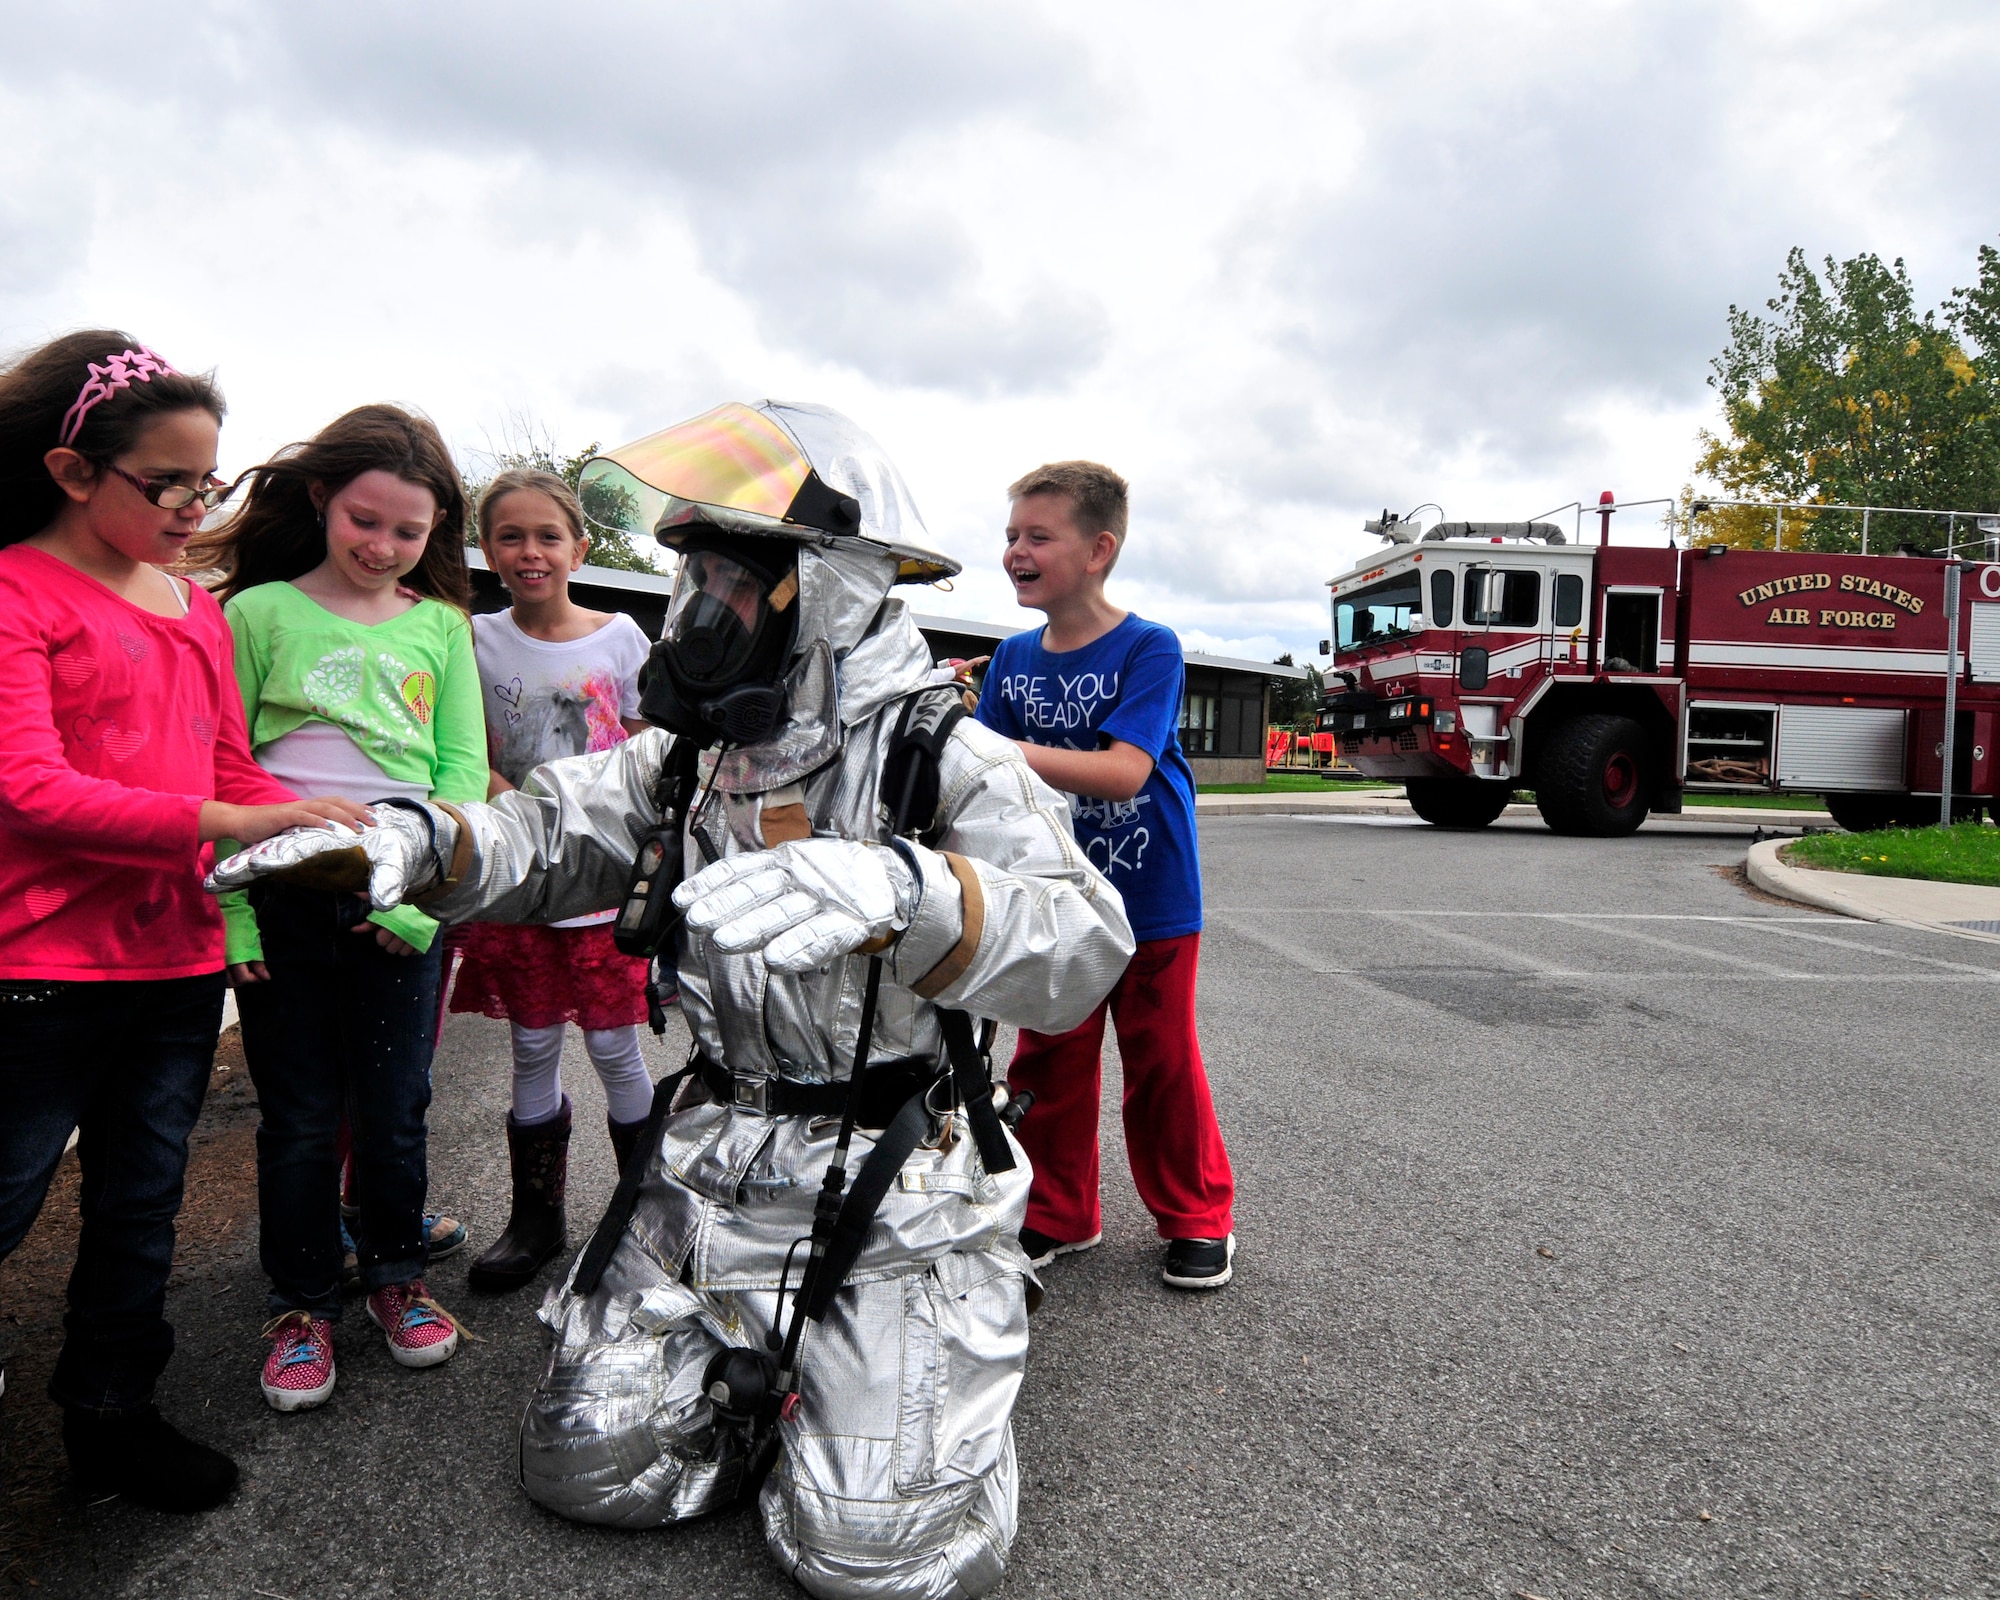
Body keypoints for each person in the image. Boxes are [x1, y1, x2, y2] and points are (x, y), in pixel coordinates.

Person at [211, 400, 1134, 1599]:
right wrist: (413, 841)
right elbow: (542, 832)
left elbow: (1082, 947)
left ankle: (921, 1383)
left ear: (824, 592)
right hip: (716, 1152)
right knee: (589, 1468)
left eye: (726, 581)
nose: (696, 607)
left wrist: (910, 887)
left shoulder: (940, 754)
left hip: (894, 1168)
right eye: (688, 573)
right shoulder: (689, 757)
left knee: (876, 1561)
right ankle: (777, 1373)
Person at [0, 331, 373, 1510]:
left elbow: (228, 764)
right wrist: (227, 818)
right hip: (39, 966)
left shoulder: (190, 608)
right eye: (170, 483)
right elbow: (28, 786)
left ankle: (111, 1414)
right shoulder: (15, 588)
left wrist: (332, 820)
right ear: (73, 473)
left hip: (173, 957)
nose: (195, 504)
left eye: (207, 480)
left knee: (139, 1203)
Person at [196, 404, 486, 1412]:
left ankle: (395, 1278)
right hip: (276, 897)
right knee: (301, 1118)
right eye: (365, 519)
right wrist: (233, 919)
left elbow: (461, 775)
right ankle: (301, 1303)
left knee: (396, 1110)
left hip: (397, 904)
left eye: (408, 532)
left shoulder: (442, 625)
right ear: (320, 497)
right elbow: (224, 764)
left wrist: (416, 907)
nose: (382, 545)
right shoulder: (257, 613)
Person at [975, 460, 1239, 1289]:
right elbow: (982, 782)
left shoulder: (1149, 647)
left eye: (1037, 536)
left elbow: (1126, 772)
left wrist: (1001, 750)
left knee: (1160, 1059)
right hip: (1051, 898)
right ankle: (1057, 1212)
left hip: (1151, 894)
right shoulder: (1011, 659)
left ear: (1099, 550)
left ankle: (1199, 1219)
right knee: (1047, 1057)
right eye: (1012, 534)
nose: (1016, 549)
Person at [447, 468, 655, 1291]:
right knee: (531, 1044)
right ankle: (535, 1219)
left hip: (602, 882)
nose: (529, 553)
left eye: (547, 536)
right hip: (520, 878)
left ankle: (641, 1217)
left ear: (580, 546)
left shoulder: (621, 639)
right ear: (487, 547)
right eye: (510, 536)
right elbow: (469, 755)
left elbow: (647, 755)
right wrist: (524, 815)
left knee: (613, 1045)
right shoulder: (474, 639)